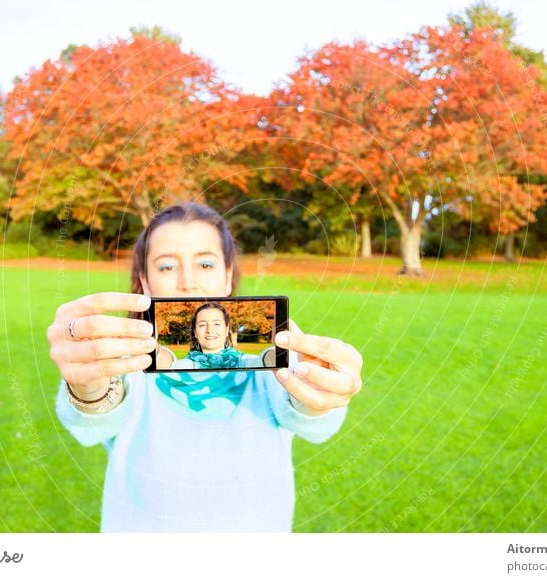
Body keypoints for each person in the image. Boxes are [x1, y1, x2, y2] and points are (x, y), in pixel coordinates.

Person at [47, 202, 363, 532]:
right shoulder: (123, 360)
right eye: (167, 267)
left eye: (206, 264)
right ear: (144, 281)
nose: (188, 283)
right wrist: (89, 388)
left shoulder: (264, 364)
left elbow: (312, 421)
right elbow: (91, 423)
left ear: (228, 277)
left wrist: (315, 387)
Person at [165, 301, 275, 370]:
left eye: (216, 324)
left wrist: (278, 350)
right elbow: (170, 365)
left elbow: (260, 362)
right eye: (202, 325)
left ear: (227, 330)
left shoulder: (241, 361)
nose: (210, 330)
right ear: (195, 332)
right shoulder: (188, 364)